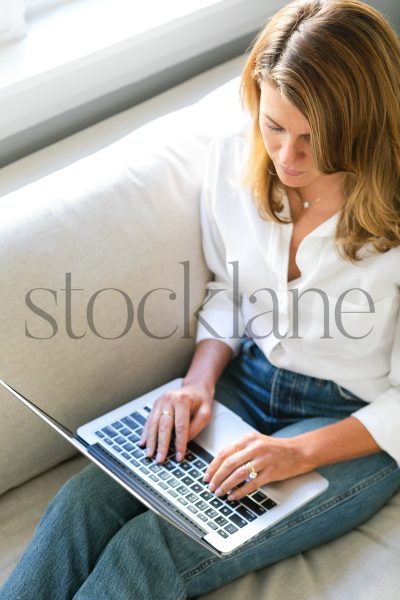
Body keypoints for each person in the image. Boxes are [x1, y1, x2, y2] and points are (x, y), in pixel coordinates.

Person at [2, 0, 400, 598]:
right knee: (82, 502)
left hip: (353, 424)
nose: (287, 159)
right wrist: (198, 383)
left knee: (148, 549)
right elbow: (232, 293)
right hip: (249, 380)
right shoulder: (235, 158)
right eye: (274, 126)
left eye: (313, 140)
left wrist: (294, 454)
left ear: (364, 124)